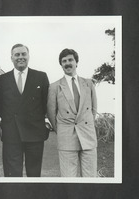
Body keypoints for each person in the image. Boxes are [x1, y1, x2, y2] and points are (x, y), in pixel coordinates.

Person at [0, 44, 49, 177]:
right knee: (12, 175)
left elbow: (46, 103)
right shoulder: (2, 80)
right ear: (11, 58)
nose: (20, 57)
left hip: (35, 133)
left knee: (34, 174)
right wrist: (7, 123)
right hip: (11, 134)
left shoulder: (41, 77)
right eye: (17, 54)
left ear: (28, 56)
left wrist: (46, 123)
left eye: (23, 54)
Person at [47, 48, 98, 177]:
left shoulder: (89, 83)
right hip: (66, 137)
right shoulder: (54, 87)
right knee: (69, 178)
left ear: (76, 62)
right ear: (61, 65)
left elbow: (93, 109)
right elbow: (51, 113)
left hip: (88, 135)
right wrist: (62, 129)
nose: (67, 63)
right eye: (64, 61)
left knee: (90, 177)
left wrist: (86, 125)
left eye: (70, 60)